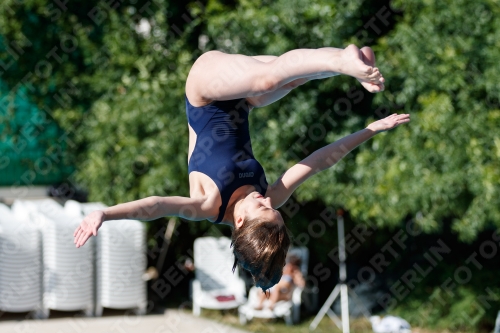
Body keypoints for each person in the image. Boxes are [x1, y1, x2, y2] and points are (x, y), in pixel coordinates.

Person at [73, 44, 410, 291]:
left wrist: (105, 214)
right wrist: (370, 130)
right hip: (243, 99)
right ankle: (349, 61)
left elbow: (156, 206)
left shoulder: (207, 205)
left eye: (262, 208)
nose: (267, 200)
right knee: (289, 79)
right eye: (272, 209)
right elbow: (318, 161)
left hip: (205, 89)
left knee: (268, 81)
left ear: (238, 220)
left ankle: (343, 62)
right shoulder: (270, 198)